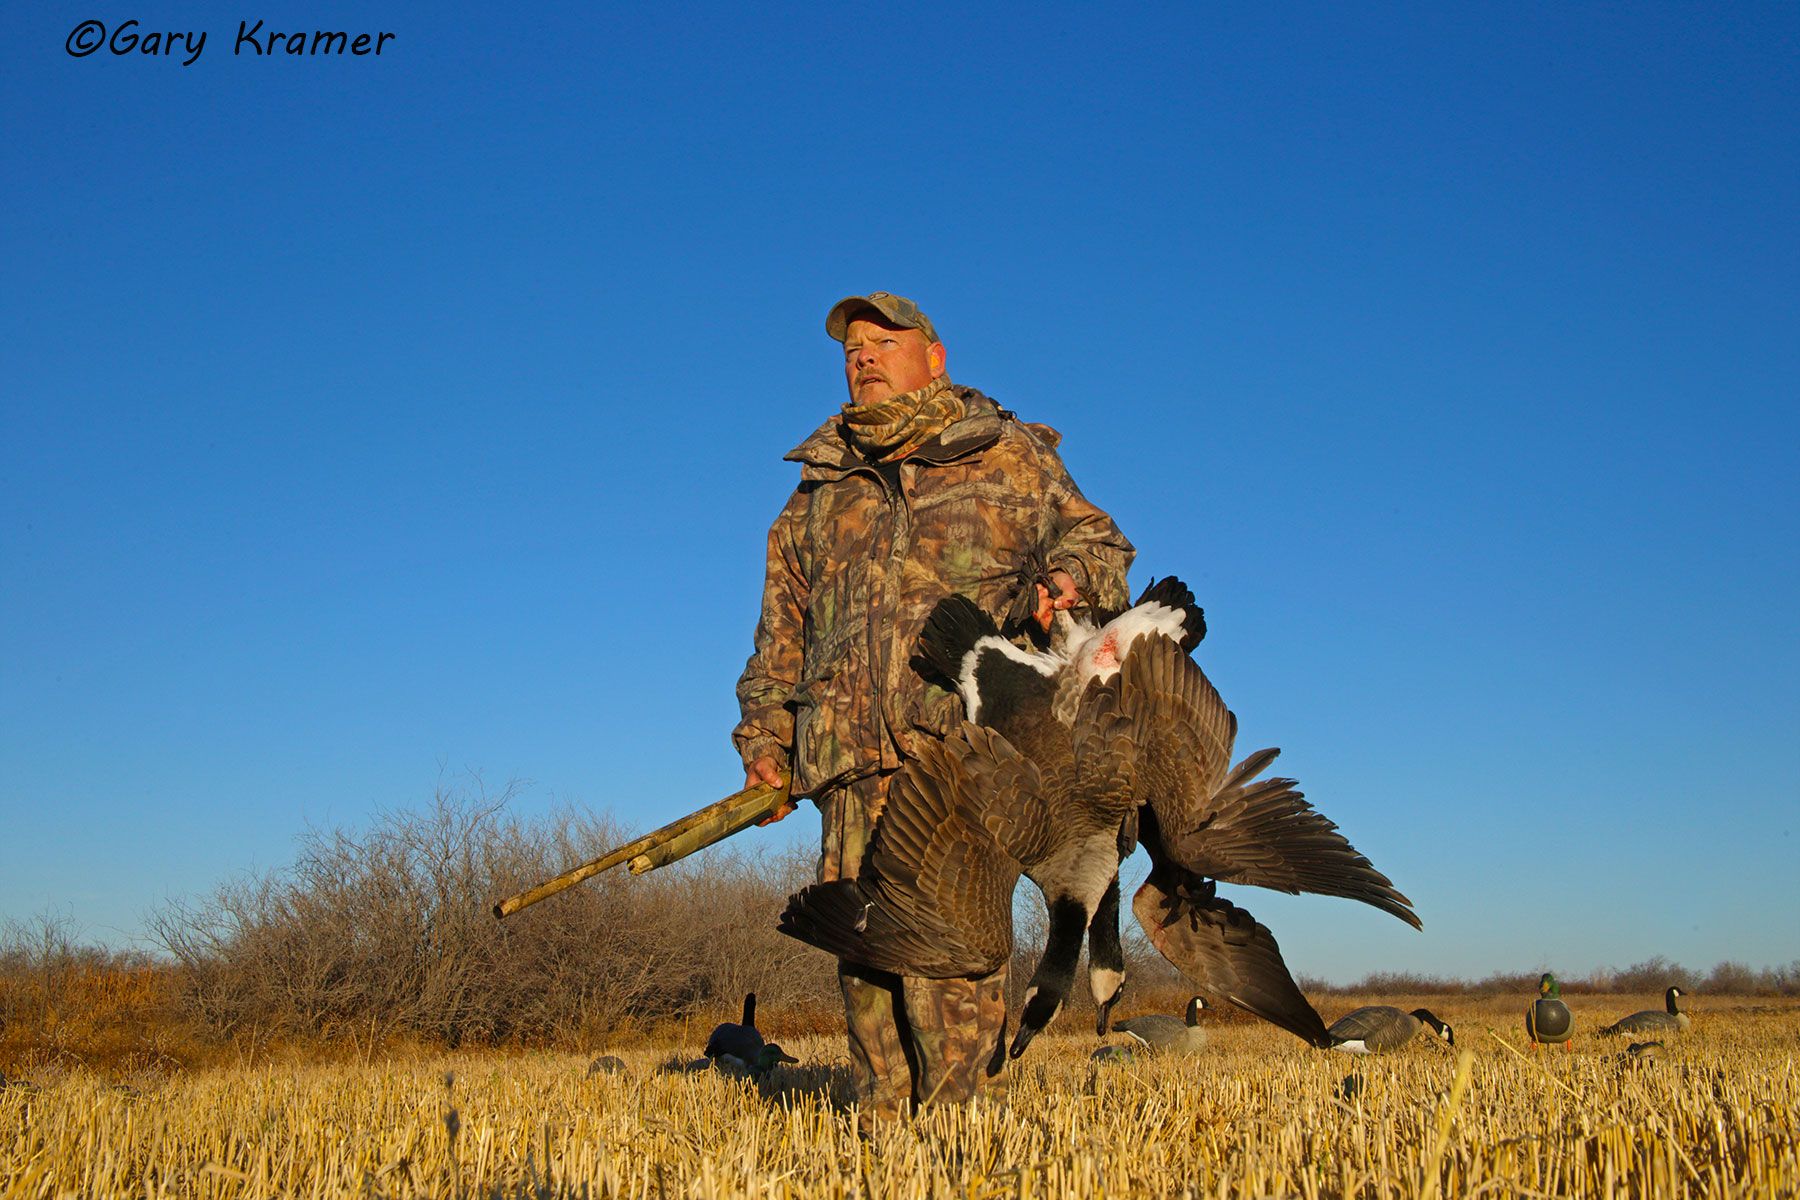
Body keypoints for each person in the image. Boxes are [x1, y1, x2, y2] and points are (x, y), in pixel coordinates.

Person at [734, 291, 1133, 1120]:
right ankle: (883, 1131)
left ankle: (961, 1135)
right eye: (853, 348)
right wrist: (767, 739)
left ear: (935, 357)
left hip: (958, 752)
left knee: (949, 956)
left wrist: (1068, 586)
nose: (865, 356)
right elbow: (783, 633)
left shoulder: (1009, 456)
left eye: (886, 340)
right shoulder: (816, 493)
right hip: (847, 761)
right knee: (865, 955)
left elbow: (1098, 545)